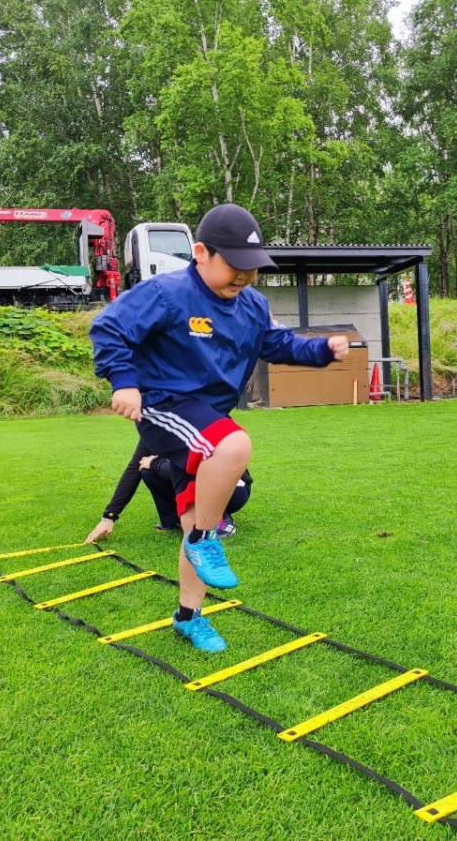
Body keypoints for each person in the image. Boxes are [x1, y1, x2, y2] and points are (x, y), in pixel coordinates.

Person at [90, 203, 348, 653]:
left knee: (195, 514)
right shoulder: (167, 293)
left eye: (252, 267)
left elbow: (277, 344)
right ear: (201, 253)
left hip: (206, 415)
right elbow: (109, 328)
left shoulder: (252, 305)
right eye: (234, 264)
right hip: (163, 405)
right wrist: (124, 382)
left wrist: (322, 350)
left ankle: (188, 616)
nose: (244, 276)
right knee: (233, 446)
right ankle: (204, 539)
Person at [83, 439, 253, 544]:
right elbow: (134, 469)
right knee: (145, 469)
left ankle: (221, 520)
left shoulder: (195, 421)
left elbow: (192, 469)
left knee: (163, 468)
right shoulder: (153, 428)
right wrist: (109, 517)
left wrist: (156, 462)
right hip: (200, 480)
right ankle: (172, 521)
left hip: (234, 490)